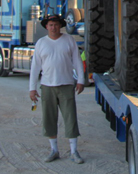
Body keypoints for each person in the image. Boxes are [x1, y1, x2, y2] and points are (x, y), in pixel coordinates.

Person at [29, 14, 85, 164]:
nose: (53, 27)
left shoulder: (69, 40)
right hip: (47, 86)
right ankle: (54, 150)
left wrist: (80, 80)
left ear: (60, 26)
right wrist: (32, 89)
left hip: (66, 85)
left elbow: (77, 61)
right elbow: (35, 67)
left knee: (70, 118)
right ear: (46, 27)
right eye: (50, 25)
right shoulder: (41, 43)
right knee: (49, 119)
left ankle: (74, 151)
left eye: (56, 25)